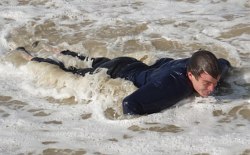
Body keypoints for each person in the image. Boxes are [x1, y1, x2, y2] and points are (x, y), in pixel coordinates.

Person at [17, 46, 231, 115]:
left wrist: (221, 76)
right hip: (118, 72)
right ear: (191, 75)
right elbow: (130, 103)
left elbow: (223, 62)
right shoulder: (173, 86)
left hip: (135, 65)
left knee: (88, 61)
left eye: (215, 82)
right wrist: (136, 131)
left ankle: (62, 50)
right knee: (69, 70)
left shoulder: (209, 69)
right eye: (206, 84)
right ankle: (28, 56)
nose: (212, 89)